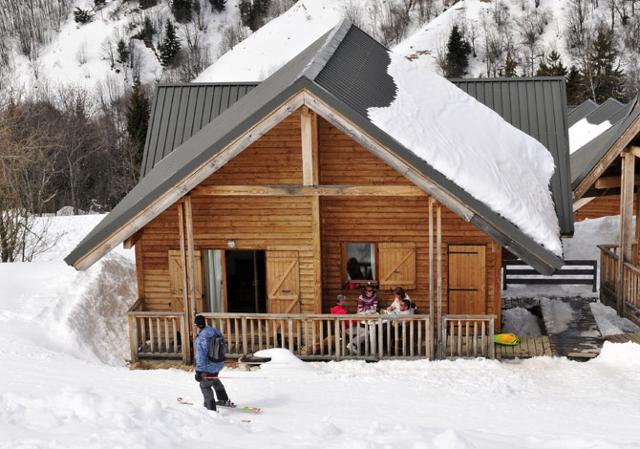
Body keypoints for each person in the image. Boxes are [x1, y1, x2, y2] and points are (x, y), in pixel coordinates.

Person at [194, 315, 234, 411]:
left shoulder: (201, 338)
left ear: (196, 325)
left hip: (209, 366)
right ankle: (223, 400)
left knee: (205, 385)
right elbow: (224, 346)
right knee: (214, 380)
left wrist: (199, 371)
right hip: (218, 363)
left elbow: (200, 356)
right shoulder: (215, 331)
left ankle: (210, 407)